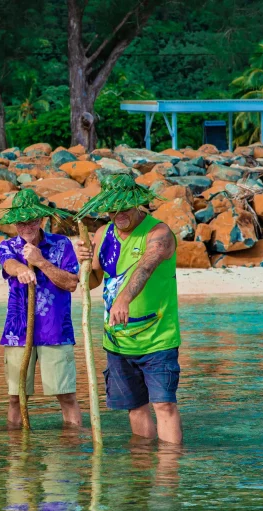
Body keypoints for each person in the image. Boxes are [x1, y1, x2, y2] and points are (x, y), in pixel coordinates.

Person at [74, 173, 182, 444]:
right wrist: (83, 262)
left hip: (158, 340)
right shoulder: (102, 233)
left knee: (164, 406)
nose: (118, 213)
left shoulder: (159, 233)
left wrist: (124, 299)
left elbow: (146, 266)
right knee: (135, 407)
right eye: (112, 207)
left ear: (137, 204)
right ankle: (142, 472)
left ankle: (169, 475)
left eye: (124, 206)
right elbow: (93, 281)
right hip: (117, 342)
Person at [0, 189, 82, 429]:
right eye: (21, 223)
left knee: (66, 395)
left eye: (31, 221)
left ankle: (70, 450)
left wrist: (40, 262)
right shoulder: (7, 246)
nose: (26, 227)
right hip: (18, 332)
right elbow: (9, 264)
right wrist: (22, 269)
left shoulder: (61, 244)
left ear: (41, 220)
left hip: (56, 331)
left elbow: (72, 283)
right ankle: (17, 451)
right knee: (15, 397)